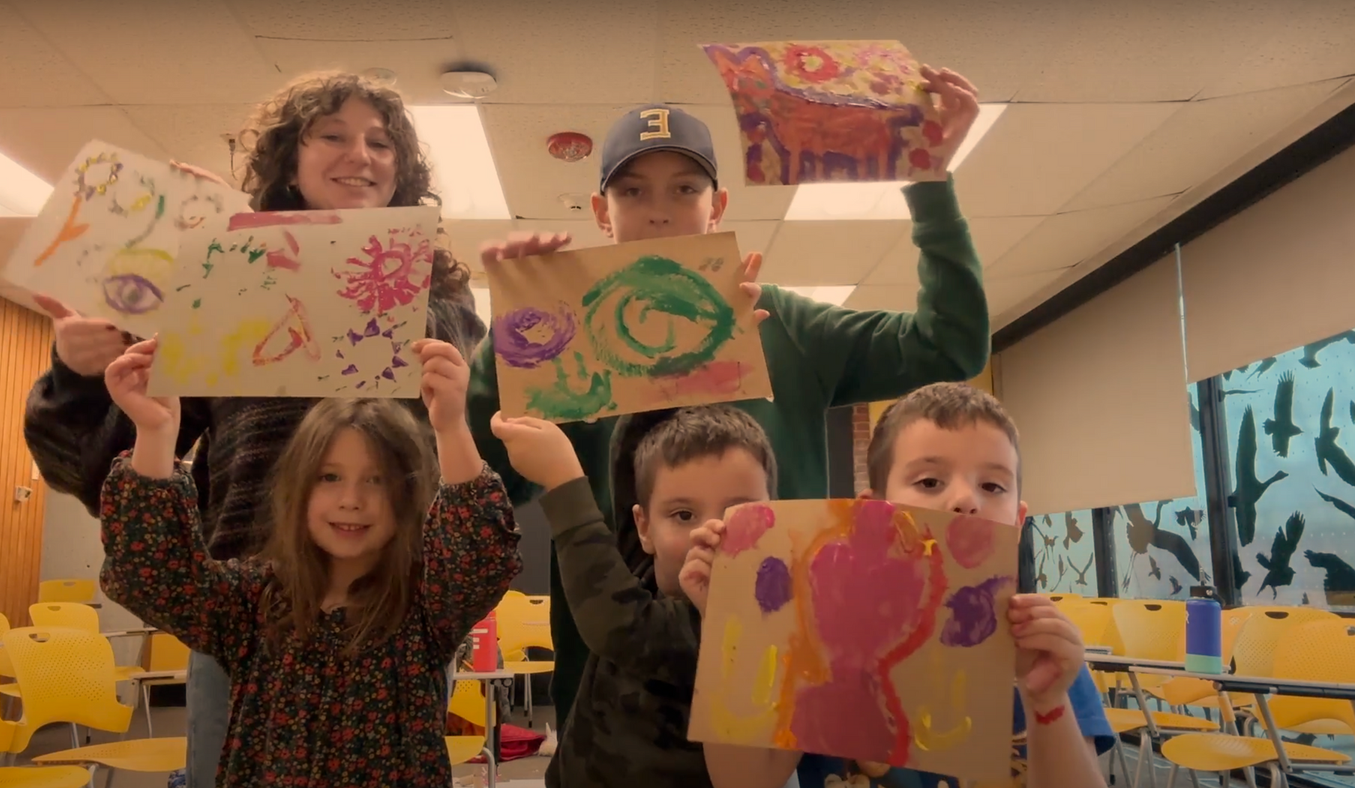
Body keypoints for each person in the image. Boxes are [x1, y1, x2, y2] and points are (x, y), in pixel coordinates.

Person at [468, 65, 991, 768]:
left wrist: (928, 182)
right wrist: (499, 349)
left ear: (717, 205)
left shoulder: (784, 324)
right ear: (600, 212)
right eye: (633, 191)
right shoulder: (574, 340)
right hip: (617, 702)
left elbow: (949, 343)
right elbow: (494, 478)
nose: (660, 211)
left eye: (684, 190)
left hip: (779, 684)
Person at [21, 71, 485, 788]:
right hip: (247, 613)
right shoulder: (219, 292)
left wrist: (259, 255)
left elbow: (473, 439)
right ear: (289, 164)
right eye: (330, 135)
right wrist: (80, 373)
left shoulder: (440, 298)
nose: (358, 155)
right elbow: (99, 468)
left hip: (401, 608)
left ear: (404, 169)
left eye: (380, 142)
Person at [99, 335, 520, 786]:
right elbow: (152, 574)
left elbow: (481, 554)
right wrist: (157, 434)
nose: (352, 500)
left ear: (406, 495)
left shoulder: (422, 607)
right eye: (330, 477)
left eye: (376, 480)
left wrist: (452, 427)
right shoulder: (251, 601)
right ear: (299, 488)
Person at [680, 382, 1115, 788]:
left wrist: (1047, 703)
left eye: (992, 485)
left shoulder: (1037, 650)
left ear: (1018, 523)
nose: (965, 499)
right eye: (929, 481)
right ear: (873, 514)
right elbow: (743, 782)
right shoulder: (814, 633)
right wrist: (725, 617)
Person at [489, 404, 798, 788]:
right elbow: (630, 460)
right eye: (684, 515)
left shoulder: (749, 626)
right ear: (645, 529)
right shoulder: (643, 569)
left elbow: (618, 622)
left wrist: (562, 478)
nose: (711, 532)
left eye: (741, 511)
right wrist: (664, 379)